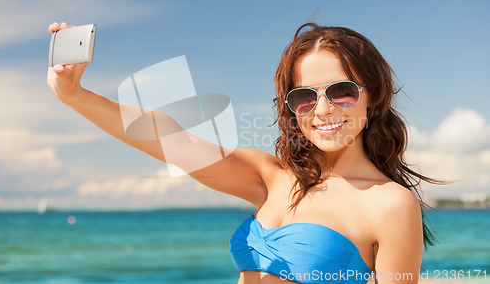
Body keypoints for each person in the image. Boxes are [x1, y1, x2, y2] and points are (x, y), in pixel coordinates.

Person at [47, 22, 442, 284]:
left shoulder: (390, 205)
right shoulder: (271, 177)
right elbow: (172, 139)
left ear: (371, 95)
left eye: (341, 91)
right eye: (305, 97)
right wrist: (74, 95)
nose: (323, 110)